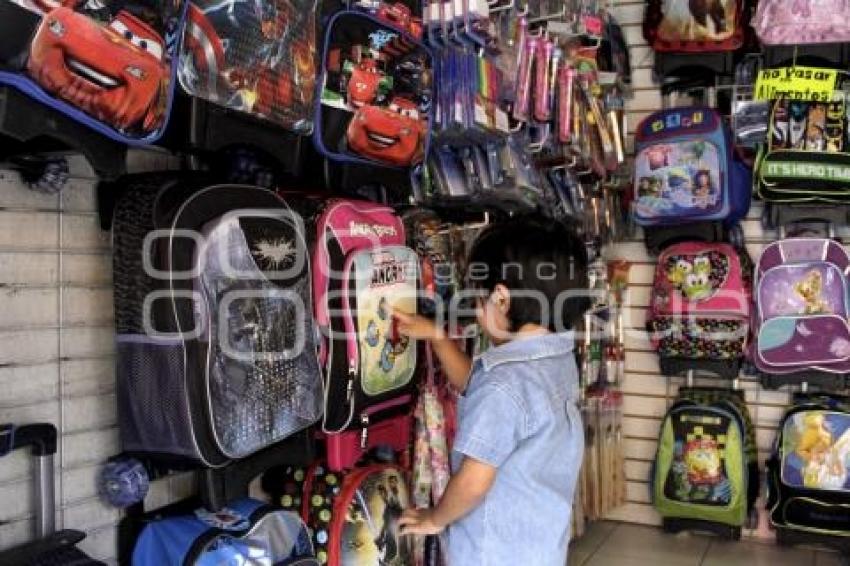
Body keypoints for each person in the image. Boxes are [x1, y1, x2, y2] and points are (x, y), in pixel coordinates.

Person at [395, 219, 590, 566]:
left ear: (501, 299)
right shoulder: (558, 360)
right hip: (539, 547)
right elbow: (477, 383)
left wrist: (435, 519)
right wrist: (439, 337)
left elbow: (473, 482)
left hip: (492, 552)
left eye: (478, 299)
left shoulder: (505, 385)